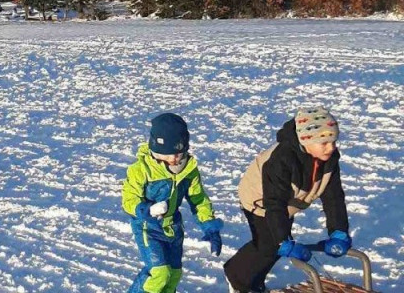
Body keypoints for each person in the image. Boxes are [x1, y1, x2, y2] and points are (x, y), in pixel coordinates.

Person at [224, 107, 351, 293]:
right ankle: (237, 277)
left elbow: (334, 197)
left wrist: (338, 231)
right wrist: (282, 240)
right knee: (268, 244)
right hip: (260, 199)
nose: (331, 148)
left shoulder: (329, 159)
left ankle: (255, 281)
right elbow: (274, 203)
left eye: (333, 141)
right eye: (324, 143)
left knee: (276, 244)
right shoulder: (281, 160)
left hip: (290, 200)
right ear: (306, 141)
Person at [121, 113, 223, 293]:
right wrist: (147, 209)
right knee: (159, 273)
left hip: (173, 228)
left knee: (174, 275)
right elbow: (129, 199)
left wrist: (210, 226)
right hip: (149, 227)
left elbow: (198, 198)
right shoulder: (141, 170)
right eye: (170, 155)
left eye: (180, 153)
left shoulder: (189, 170)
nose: (176, 159)